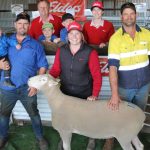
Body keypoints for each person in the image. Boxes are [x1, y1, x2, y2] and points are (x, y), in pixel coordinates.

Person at [49, 21, 102, 150]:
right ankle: (64, 138)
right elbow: (55, 70)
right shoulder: (61, 51)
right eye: (71, 33)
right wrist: (48, 80)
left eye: (77, 33)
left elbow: (97, 76)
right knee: (65, 118)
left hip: (85, 93)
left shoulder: (90, 52)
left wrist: (94, 95)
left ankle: (92, 137)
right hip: (65, 93)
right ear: (67, 36)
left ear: (81, 35)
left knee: (89, 118)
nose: (74, 36)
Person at [0, 12, 49, 150]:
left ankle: (40, 138)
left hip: (28, 88)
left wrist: (36, 85)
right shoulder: (5, 40)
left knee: (34, 114)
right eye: (19, 23)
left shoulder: (36, 45)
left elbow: (43, 65)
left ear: (29, 25)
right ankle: (3, 136)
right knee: (3, 115)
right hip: (7, 88)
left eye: (25, 23)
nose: (22, 26)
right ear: (15, 25)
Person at [107, 2, 150, 149]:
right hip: (125, 88)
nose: (129, 17)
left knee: (138, 114)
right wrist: (114, 94)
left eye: (132, 13)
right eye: (126, 14)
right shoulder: (115, 39)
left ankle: (134, 136)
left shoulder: (147, 34)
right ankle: (112, 136)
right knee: (120, 115)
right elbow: (112, 68)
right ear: (121, 16)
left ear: (136, 15)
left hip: (144, 86)